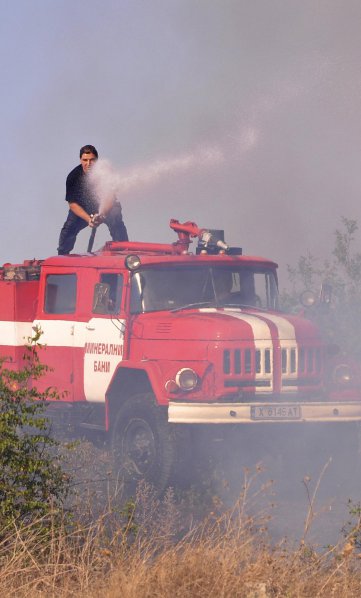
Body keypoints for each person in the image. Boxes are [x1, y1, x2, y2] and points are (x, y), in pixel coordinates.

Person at [57, 144, 128, 255]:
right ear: (80, 160)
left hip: (105, 208)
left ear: (97, 160)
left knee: (115, 217)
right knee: (69, 227)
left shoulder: (107, 173)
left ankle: (124, 252)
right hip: (83, 209)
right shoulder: (73, 177)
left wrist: (102, 215)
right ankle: (61, 256)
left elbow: (110, 197)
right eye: (85, 160)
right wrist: (89, 219)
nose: (88, 164)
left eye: (92, 160)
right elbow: (73, 205)